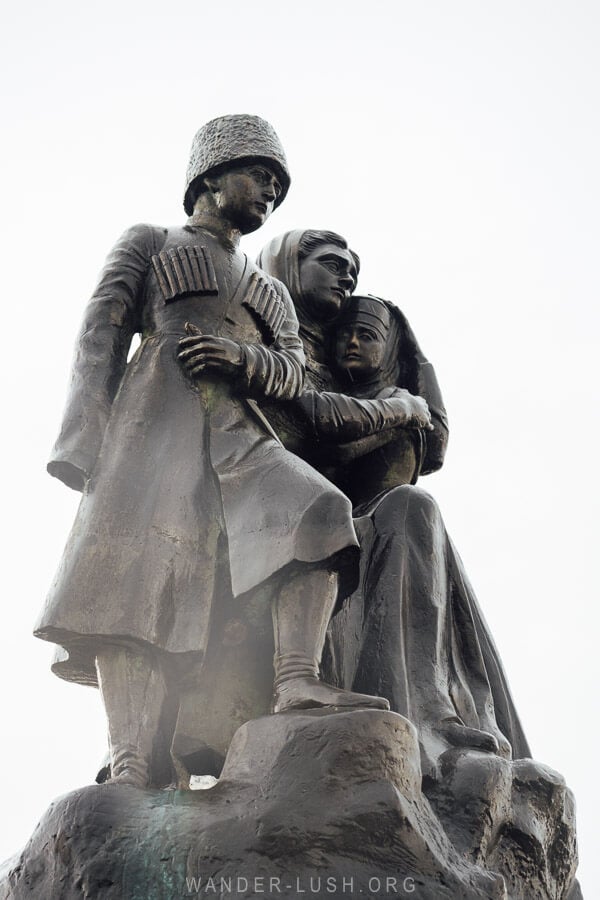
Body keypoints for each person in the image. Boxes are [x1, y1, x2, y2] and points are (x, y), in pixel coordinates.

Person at [35, 117, 389, 790]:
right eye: (259, 178)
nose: (269, 196)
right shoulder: (151, 241)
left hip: (237, 431)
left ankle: (297, 681)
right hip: (152, 427)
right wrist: (83, 445)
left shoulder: (270, 289)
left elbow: (292, 373)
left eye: (278, 188)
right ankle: (132, 755)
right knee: (135, 588)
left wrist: (239, 357)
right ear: (210, 177)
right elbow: (100, 336)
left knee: (318, 509)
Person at [257, 232, 530, 777]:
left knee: (411, 510)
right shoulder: (270, 339)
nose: (349, 344)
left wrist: (408, 399)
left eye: (365, 335)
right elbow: (313, 426)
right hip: (272, 514)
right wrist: (400, 409)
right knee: (405, 512)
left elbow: (432, 441)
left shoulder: (364, 382)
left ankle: (426, 708)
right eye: (333, 266)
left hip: (350, 519)